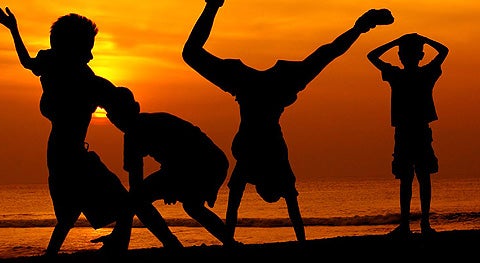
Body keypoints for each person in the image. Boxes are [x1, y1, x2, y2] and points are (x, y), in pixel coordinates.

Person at [182, 0, 393, 243]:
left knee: (325, 55)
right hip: (260, 89)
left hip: (266, 89)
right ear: (262, 185)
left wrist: (230, 242)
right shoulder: (268, 161)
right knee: (191, 54)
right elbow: (238, 206)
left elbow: (277, 206)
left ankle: (361, 26)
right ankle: (213, 4)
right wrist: (230, 241)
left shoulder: (263, 162)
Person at [0, 5, 133, 255]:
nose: (90, 56)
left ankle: (54, 254)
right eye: (87, 48)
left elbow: (27, 63)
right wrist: (13, 30)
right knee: (120, 203)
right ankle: (117, 246)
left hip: (61, 153)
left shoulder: (64, 70)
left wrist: (14, 30)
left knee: (70, 214)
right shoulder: (75, 76)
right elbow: (29, 63)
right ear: (73, 48)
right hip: (69, 155)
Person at [100, 86, 237, 247]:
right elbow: (135, 186)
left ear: (135, 109)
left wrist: (173, 184)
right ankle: (229, 242)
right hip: (208, 163)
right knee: (191, 206)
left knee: (146, 199)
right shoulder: (134, 136)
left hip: (207, 163)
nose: (117, 121)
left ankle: (172, 244)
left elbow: (186, 150)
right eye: (114, 117)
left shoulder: (152, 125)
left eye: (119, 115)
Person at [367, 33, 448, 237]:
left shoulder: (403, 74)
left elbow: (372, 55)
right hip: (410, 130)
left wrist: (397, 41)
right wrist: (421, 40)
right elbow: (444, 51)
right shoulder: (419, 73)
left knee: (415, 177)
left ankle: (416, 224)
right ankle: (418, 224)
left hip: (412, 130)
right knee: (416, 177)